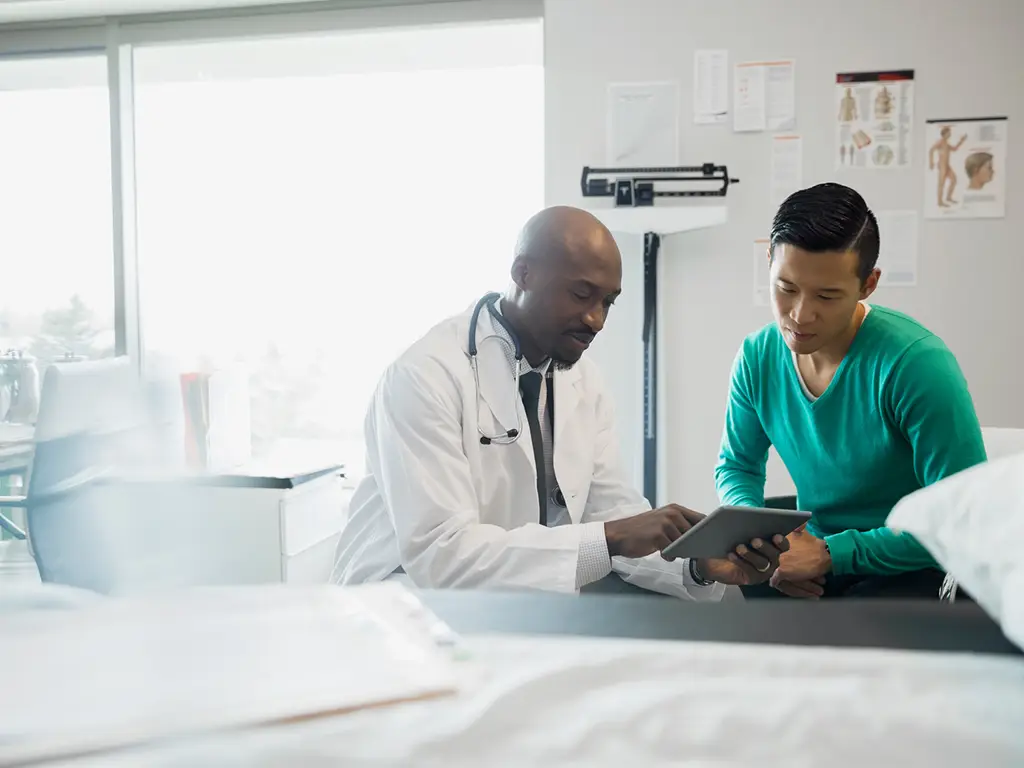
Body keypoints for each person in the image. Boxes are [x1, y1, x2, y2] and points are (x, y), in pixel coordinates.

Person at [332, 206, 790, 598]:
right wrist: (609, 538)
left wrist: (697, 564)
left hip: (513, 602)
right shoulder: (425, 377)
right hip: (402, 604)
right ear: (522, 273)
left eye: (609, 302)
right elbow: (442, 557)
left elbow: (610, 513)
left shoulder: (581, 381)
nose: (597, 319)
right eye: (581, 294)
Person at [716, 183, 986, 600]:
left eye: (826, 295)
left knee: (845, 642)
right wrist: (765, 544)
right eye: (786, 288)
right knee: (725, 615)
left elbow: (962, 519)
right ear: (768, 261)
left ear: (868, 284)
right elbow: (736, 467)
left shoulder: (917, 364)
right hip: (812, 552)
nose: (800, 315)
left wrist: (830, 554)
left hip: (909, 565)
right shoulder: (757, 356)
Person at [929, 126, 967, 207]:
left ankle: (948, 197)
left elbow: (954, 149)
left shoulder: (946, 143)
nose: (950, 134)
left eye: (950, 132)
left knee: (954, 180)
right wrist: (931, 162)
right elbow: (931, 150)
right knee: (941, 184)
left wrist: (961, 141)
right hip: (942, 166)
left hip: (947, 165)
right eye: (949, 132)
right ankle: (939, 202)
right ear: (945, 133)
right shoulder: (940, 142)